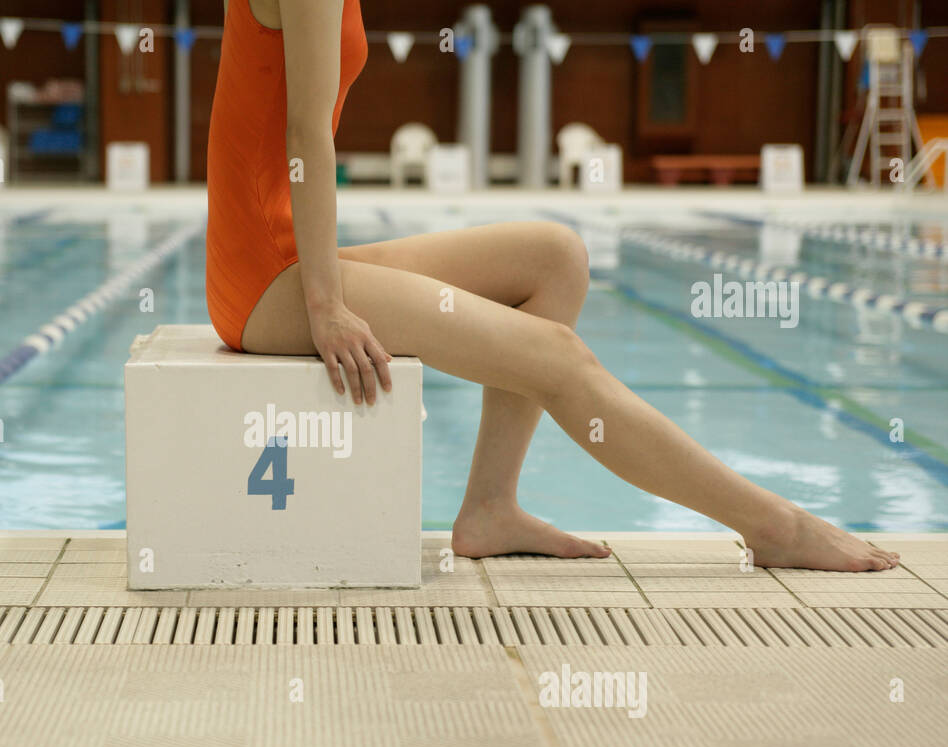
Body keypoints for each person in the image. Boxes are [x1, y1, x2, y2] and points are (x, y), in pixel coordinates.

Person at [204, 0, 898, 572]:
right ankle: (774, 525)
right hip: (271, 278)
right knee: (559, 359)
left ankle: (489, 508)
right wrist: (327, 305)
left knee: (555, 257)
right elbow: (306, 138)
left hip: (286, 249)